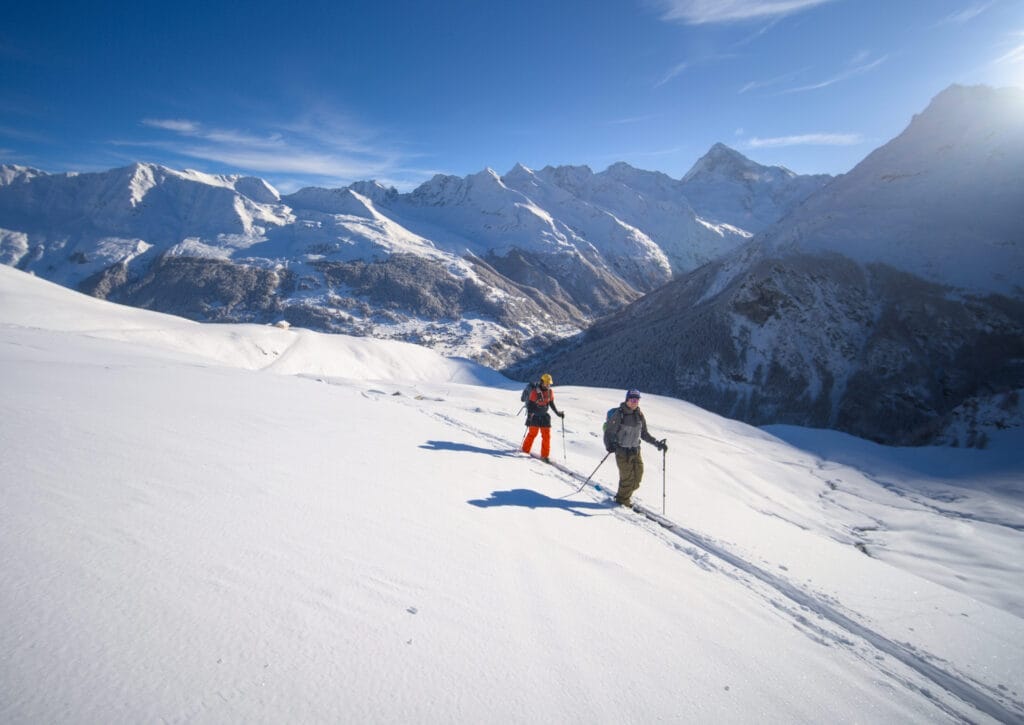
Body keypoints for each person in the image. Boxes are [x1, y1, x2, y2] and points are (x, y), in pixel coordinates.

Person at [603, 389, 667, 507]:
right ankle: (622, 502)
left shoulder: (639, 415)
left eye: (637, 400)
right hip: (622, 452)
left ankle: (623, 496)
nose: (634, 402)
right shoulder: (619, 414)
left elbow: (644, 434)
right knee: (627, 480)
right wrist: (609, 446)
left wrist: (657, 444)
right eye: (632, 399)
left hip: (636, 451)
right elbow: (609, 432)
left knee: (637, 479)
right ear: (627, 399)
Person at [522, 373, 564, 461]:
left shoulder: (550, 392)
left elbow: (551, 403)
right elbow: (530, 406)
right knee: (532, 434)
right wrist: (529, 418)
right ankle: (525, 451)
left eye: (549, 384)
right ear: (542, 382)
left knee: (546, 436)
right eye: (546, 383)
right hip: (535, 416)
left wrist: (557, 413)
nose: (548, 385)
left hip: (545, 416)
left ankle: (545, 456)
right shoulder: (534, 392)